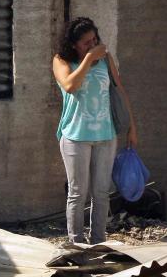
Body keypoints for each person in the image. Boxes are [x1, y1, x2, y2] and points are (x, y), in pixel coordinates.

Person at [52, 17, 137, 245]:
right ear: (73, 45)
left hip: (105, 136)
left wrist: (131, 127)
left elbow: (119, 91)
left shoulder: (106, 59)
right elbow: (70, 86)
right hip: (76, 136)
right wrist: (89, 59)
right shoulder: (62, 61)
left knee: (101, 192)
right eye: (86, 43)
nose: (92, 45)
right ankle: (76, 242)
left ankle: (98, 240)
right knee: (78, 193)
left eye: (94, 40)